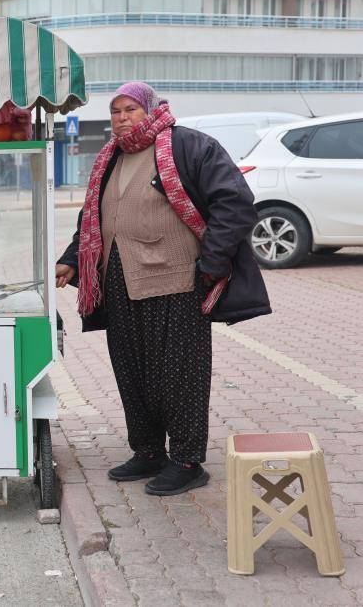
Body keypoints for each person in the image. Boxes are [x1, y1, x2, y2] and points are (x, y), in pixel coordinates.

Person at [56, 82, 270, 496]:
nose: (121, 117)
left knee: (180, 374)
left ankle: (188, 461)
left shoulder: (189, 147)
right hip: (119, 284)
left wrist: (212, 263)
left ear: (151, 109)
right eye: (116, 110)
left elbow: (236, 203)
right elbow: (93, 216)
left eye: (130, 109)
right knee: (132, 372)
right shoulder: (109, 159)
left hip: (176, 281)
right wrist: (71, 256)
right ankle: (149, 451)